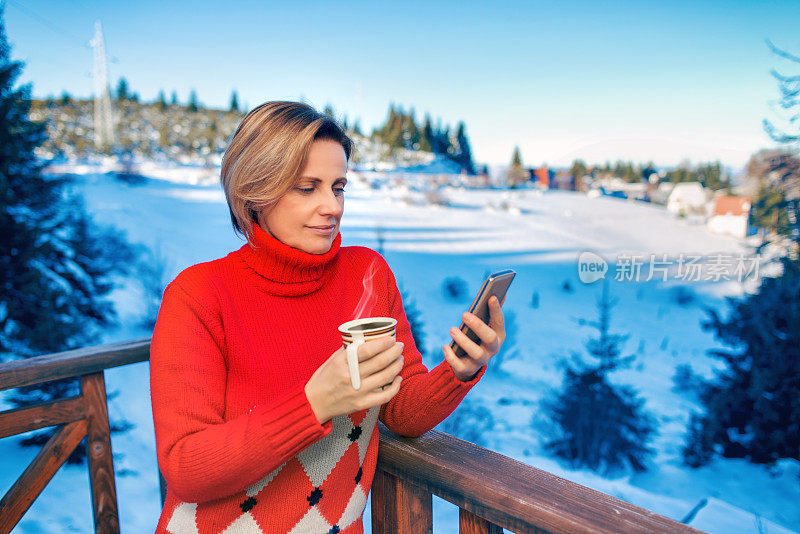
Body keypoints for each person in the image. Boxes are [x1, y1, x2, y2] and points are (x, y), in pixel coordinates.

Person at [150, 101, 506, 533]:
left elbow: (402, 410)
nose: (331, 207)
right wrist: (314, 403)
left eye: (338, 187)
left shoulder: (367, 276)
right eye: (307, 188)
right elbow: (187, 469)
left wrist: (459, 370)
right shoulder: (199, 295)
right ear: (254, 193)